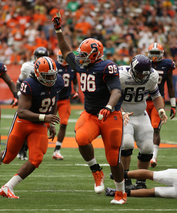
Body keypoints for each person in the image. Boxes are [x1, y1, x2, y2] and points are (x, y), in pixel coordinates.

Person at [52, 13, 127, 204]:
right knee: (81, 137)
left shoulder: (107, 67)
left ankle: (121, 193)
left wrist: (109, 107)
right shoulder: (81, 64)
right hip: (91, 114)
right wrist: (59, 30)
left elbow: (117, 91)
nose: (80, 58)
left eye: (84, 55)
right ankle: (96, 171)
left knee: (113, 158)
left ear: (94, 55)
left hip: (110, 115)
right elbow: (66, 50)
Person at [0, 56, 64, 199]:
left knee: (37, 159)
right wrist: (45, 118)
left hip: (40, 124)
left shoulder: (58, 81)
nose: (51, 79)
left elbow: (54, 101)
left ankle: (7, 187)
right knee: (9, 157)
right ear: (38, 73)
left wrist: (50, 123)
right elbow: (21, 112)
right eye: (47, 76)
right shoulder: (30, 84)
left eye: (53, 75)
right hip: (23, 122)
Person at [119, 54, 168, 190]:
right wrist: (121, 112)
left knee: (148, 148)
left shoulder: (152, 76)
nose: (142, 77)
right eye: (139, 74)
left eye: (144, 74)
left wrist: (161, 110)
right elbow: (113, 95)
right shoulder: (121, 75)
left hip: (141, 114)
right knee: (126, 144)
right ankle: (125, 178)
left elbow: (156, 95)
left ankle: (141, 181)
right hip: (124, 114)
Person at [146, 42, 177, 168]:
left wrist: (173, 105)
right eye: (152, 53)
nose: (154, 56)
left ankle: (153, 157)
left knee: (156, 128)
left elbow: (170, 85)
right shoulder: (143, 63)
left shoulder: (167, 64)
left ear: (162, 54)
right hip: (142, 99)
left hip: (158, 100)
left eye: (156, 53)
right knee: (143, 130)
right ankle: (145, 154)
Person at [16, 46, 50, 160]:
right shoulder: (27, 67)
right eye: (39, 56)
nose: (40, 59)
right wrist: (18, 96)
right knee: (24, 126)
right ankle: (21, 150)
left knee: (36, 126)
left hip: (40, 100)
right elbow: (19, 82)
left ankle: (26, 150)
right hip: (28, 98)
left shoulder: (50, 66)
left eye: (43, 57)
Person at [53, 49, 79, 160]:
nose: (63, 60)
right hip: (53, 99)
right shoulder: (53, 65)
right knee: (46, 124)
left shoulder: (72, 67)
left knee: (63, 123)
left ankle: (57, 150)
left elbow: (75, 81)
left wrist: (76, 91)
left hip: (65, 99)